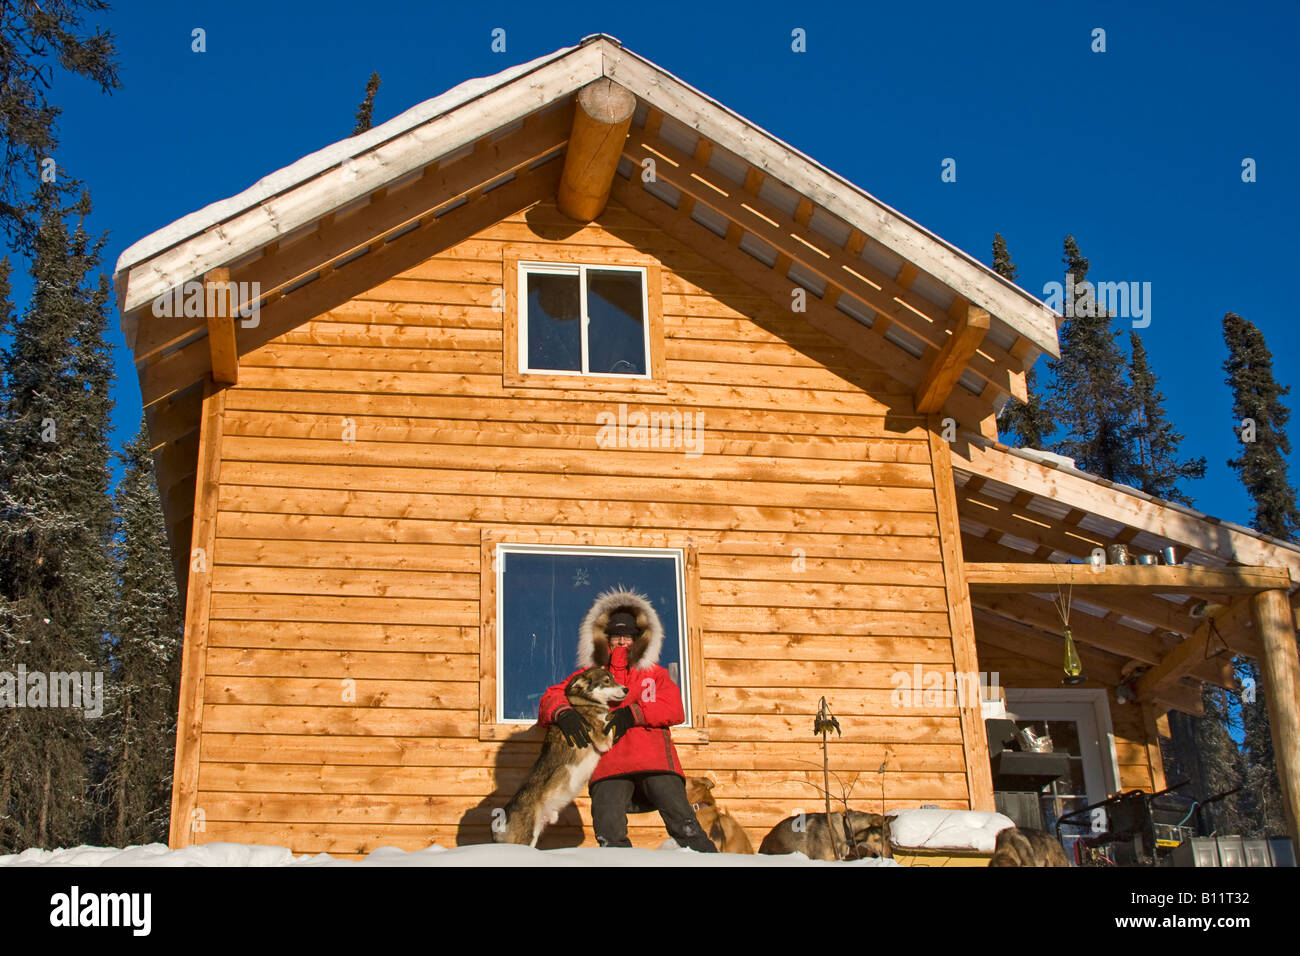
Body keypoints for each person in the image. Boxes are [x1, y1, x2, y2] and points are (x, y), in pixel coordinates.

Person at [537, 587, 718, 852]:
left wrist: (634, 713)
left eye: (629, 637)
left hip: (654, 761)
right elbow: (550, 697)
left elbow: (674, 708)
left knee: (685, 826)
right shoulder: (592, 675)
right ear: (604, 639)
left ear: (640, 639)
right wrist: (563, 713)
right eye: (616, 636)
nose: (622, 642)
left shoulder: (654, 674)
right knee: (609, 836)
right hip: (608, 765)